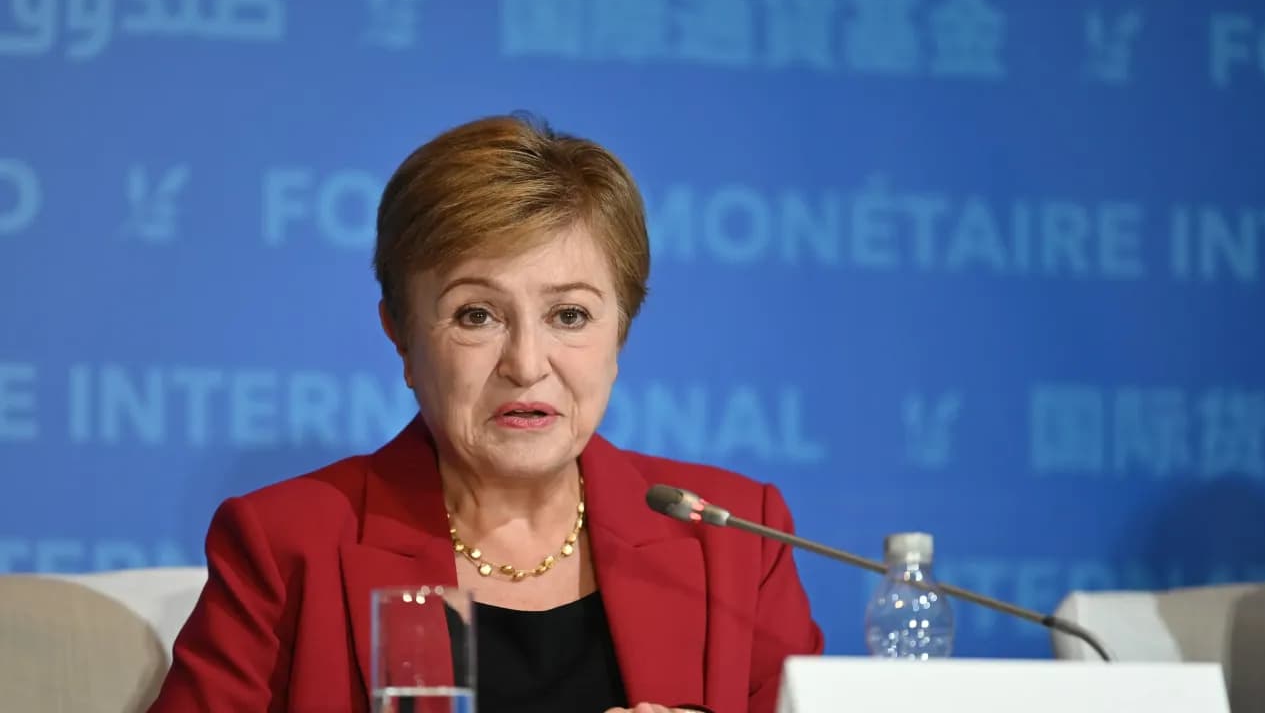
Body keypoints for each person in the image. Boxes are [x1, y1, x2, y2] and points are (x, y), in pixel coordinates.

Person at [146, 114, 823, 713]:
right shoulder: (288, 545)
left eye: (569, 315)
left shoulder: (734, 539)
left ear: (619, 333)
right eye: (476, 315)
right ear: (401, 335)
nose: (526, 364)